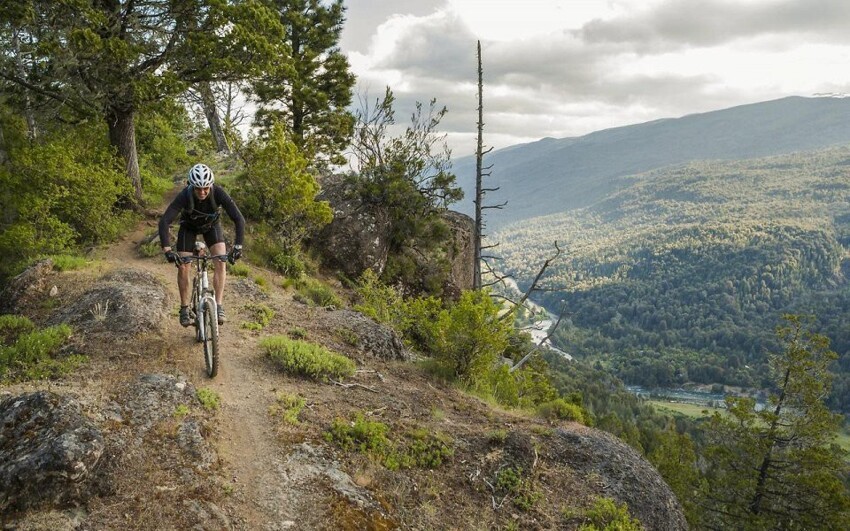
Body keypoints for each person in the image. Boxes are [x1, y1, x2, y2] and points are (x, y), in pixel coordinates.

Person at [159, 163, 245, 327]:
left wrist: (238, 247)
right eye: (198, 188)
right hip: (188, 228)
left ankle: (218, 306)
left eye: (206, 188)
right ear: (191, 185)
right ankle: (184, 308)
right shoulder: (184, 195)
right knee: (184, 266)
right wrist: (167, 250)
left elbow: (239, 219)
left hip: (211, 227)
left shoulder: (218, 193)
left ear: (210, 185)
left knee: (221, 260)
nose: (202, 192)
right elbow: (164, 221)